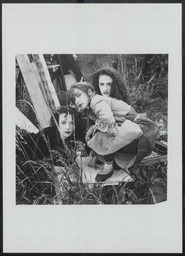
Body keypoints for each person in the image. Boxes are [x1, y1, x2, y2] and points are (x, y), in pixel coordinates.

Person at [69, 82, 158, 182]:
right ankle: (109, 162)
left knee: (100, 135)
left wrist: (94, 130)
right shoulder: (93, 105)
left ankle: (108, 167)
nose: (76, 101)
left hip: (141, 133)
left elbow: (108, 120)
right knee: (100, 133)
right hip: (133, 132)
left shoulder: (96, 101)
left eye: (78, 95)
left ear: (89, 92)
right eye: (74, 99)